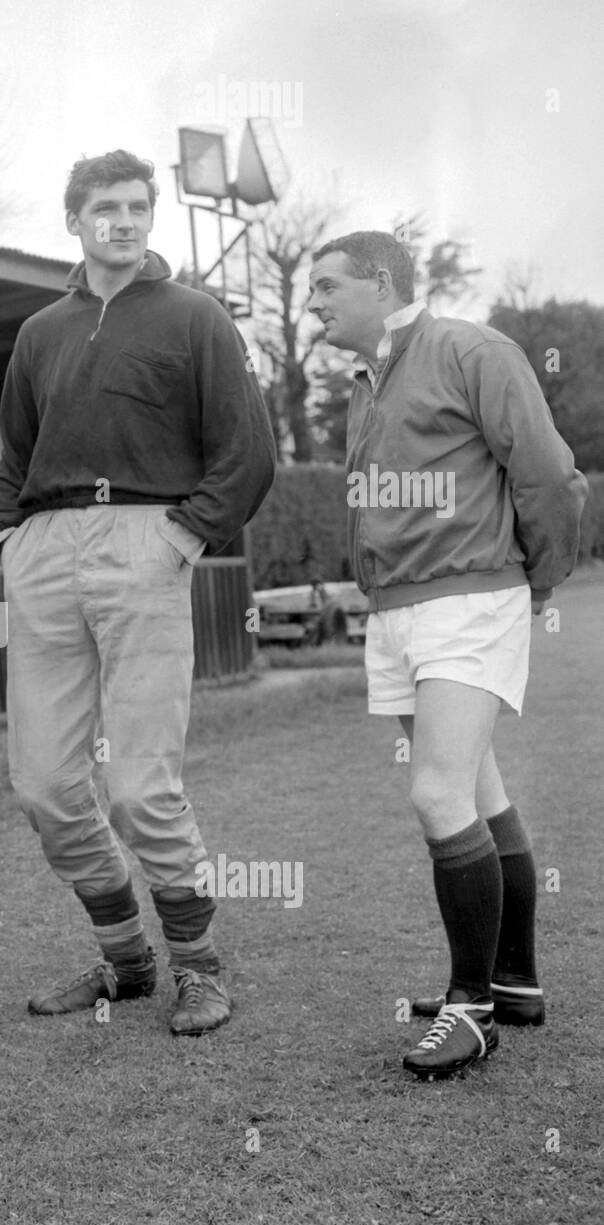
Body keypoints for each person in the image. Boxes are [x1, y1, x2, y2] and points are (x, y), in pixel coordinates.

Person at [0, 150, 276, 1035]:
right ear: (73, 219)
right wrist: (10, 537)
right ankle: (127, 962)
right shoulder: (40, 331)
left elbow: (248, 452)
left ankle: (199, 969)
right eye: (105, 207)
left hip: (146, 540)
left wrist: (185, 533)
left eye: (138, 206)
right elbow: (12, 455)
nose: (124, 220)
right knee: (43, 784)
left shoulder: (195, 317)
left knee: (141, 786)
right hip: (46, 549)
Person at [307, 230, 588, 1079]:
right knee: (473, 788)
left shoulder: (473, 349)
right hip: (394, 614)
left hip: (469, 601)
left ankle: (471, 1011)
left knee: (436, 795)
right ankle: (514, 982)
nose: (313, 303)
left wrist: (534, 584)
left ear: (380, 282)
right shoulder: (367, 381)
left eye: (326, 286)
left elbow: (550, 478)